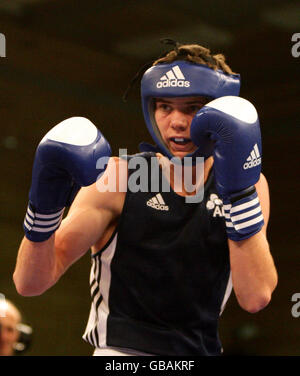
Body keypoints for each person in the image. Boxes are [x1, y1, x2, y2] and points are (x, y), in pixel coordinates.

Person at [13, 42, 278, 356]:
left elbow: (255, 296)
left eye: (192, 108)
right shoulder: (116, 178)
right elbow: (30, 284)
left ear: (218, 113)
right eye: (165, 107)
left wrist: (240, 195)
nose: (176, 122)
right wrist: (43, 209)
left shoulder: (248, 185)